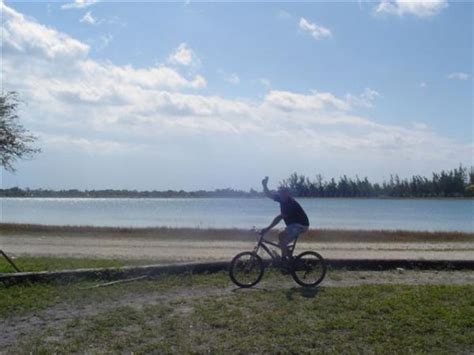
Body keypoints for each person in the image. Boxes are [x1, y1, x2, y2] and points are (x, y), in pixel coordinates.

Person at [260, 176, 309, 262]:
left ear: (287, 194)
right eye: (281, 193)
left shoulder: (291, 204)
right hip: (293, 224)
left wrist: (267, 228)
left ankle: (284, 260)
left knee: (282, 238)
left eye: (284, 193)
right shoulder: (281, 199)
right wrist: (264, 185)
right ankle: (289, 258)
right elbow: (269, 195)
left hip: (301, 225)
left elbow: (279, 218)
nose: (282, 195)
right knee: (281, 239)